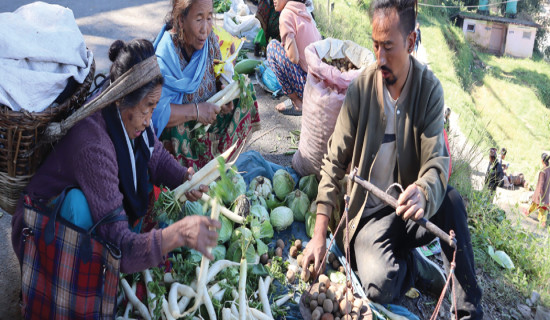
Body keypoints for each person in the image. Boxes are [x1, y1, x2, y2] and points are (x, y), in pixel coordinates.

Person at [301, 0, 483, 318]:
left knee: (452, 203)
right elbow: (332, 162)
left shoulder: (429, 91)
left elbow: (438, 163)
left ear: (411, 42)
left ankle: (469, 311)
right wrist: (319, 235)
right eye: (375, 47)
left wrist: (425, 191)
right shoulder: (361, 90)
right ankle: (415, 266)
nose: (380, 58)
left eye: (389, 47)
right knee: (378, 286)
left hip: (410, 207)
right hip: (369, 215)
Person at [12, 39, 220, 281]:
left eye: (154, 108)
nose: (149, 120)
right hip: (40, 232)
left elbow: (154, 153)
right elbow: (119, 243)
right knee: (79, 207)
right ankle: (65, 279)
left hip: (83, 201)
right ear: (122, 99)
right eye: (148, 109)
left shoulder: (123, 109)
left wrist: (184, 178)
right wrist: (177, 234)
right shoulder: (93, 145)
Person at [152, 0, 260, 169]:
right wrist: (196, 111)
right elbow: (156, 112)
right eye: (198, 19)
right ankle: (185, 175)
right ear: (181, 20)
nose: (205, 29)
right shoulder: (165, 55)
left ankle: (219, 167)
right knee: (174, 130)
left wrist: (223, 96)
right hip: (182, 132)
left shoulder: (209, 41)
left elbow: (219, 75)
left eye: (209, 18)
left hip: (207, 121)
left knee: (246, 92)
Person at [266, 0, 322, 116]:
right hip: (320, 86)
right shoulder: (304, 11)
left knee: (272, 48)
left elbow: (294, 58)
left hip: (308, 88)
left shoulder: (286, 14)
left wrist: (285, 45)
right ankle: (300, 100)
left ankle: (297, 103)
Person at [526, 152, 550, 227]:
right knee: (543, 208)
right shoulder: (549, 169)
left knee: (535, 203)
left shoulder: (543, 171)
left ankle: (529, 213)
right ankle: (543, 221)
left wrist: (540, 194)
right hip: (546, 193)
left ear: (542, 160)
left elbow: (541, 184)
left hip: (540, 193)